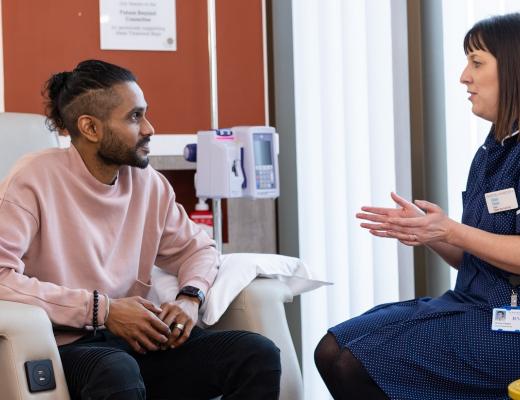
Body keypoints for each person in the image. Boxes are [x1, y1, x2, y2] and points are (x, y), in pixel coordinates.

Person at [0, 59, 281, 399]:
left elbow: (198, 249)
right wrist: (102, 310)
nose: (149, 128)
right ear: (90, 128)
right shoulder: (32, 180)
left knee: (256, 354)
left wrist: (191, 297)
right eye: (134, 117)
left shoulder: (149, 184)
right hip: (69, 344)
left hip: (139, 339)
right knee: (117, 371)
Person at [314, 12, 520, 400]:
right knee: (332, 349)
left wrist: (451, 229)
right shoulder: (492, 151)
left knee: (350, 361)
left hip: (509, 331)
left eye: (477, 63)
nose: (464, 76)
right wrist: (429, 232)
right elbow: (476, 257)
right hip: (474, 308)